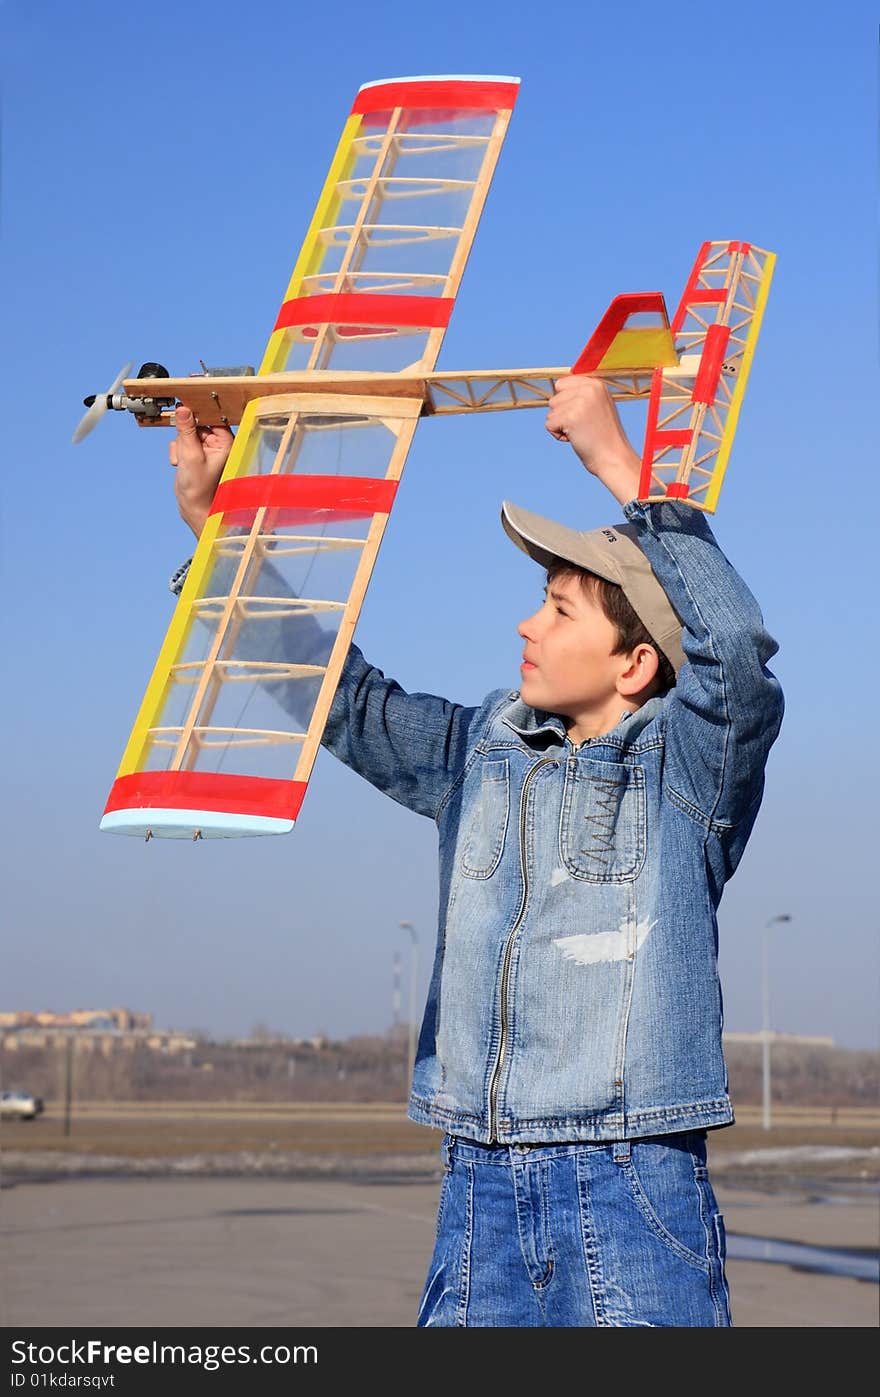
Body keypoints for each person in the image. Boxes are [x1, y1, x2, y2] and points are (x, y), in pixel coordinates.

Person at [167, 376, 784, 1327]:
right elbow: (344, 697)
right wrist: (220, 529)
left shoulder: (688, 777)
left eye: (561, 610)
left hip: (631, 1188)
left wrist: (618, 465)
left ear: (636, 664)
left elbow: (735, 651)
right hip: (477, 1189)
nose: (527, 625)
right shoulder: (478, 752)